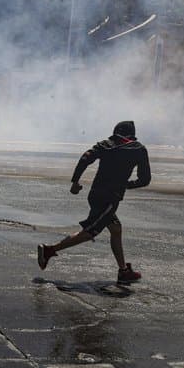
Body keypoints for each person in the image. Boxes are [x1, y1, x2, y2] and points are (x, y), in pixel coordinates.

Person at [37, 121, 152, 284]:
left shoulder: (104, 145)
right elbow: (145, 180)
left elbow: (85, 158)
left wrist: (75, 181)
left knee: (116, 229)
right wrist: (125, 184)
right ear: (132, 134)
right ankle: (49, 250)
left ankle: (123, 271)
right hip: (110, 198)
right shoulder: (138, 149)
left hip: (95, 194)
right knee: (90, 232)